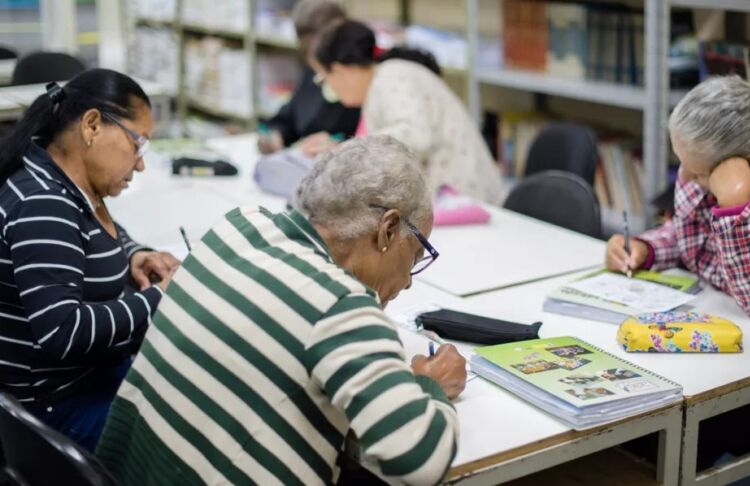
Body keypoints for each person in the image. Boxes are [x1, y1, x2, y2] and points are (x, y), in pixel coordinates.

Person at [97, 135, 467, 485]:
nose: (408, 283)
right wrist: (429, 386)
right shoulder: (340, 305)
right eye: (417, 253)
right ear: (387, 229)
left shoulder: (238, 229)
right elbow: (420, 461)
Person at [0, 69, 179, 450]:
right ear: (93, 125)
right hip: (59, 408)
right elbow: (62, 332)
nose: (141, 164)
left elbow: (94, 227)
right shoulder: (43, 204)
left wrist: (135, 254)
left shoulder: (61, 178)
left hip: (84, 381)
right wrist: (159, 298)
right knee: (192, 438)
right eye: (138, 145)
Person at [606, 70, 750, 318]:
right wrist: (646, 249)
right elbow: (694, 234)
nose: (684, 177)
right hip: (717, 306)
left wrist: (735, 209)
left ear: (747, 163)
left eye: (698, 174)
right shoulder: (707, 159)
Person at [311, 19, 505, 205]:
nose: (328, 87)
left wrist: (348, 150)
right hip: (452, 200)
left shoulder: (392, 76)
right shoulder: (379, 83)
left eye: (323, 78)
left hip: (467, 200)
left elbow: (415, 135)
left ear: (338, 70)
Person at [257, 0, 361, 157]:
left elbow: (378, 144)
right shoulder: (312, 71)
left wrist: (341, 148)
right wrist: (275, 135)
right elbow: (289, 117)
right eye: (307, 44)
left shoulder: (359, 77)